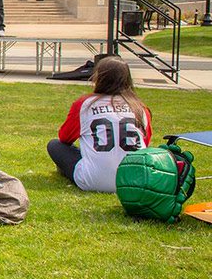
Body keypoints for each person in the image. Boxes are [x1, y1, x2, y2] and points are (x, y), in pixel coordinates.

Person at [47, 56, 153, 193]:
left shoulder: (85, 104)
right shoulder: (140, 108)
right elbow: (145, 143)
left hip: (92, 180)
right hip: (134, 181)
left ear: (98, 77)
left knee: (55, 145)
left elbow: (64, 138)